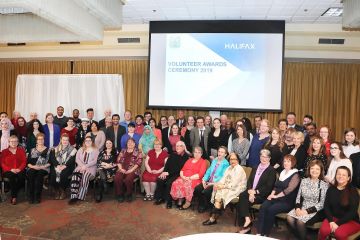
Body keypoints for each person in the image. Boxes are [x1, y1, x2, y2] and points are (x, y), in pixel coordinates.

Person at [257, 154, 301, 236]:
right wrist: (272, 194)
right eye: (285, 161)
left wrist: (276, 196)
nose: (286, 163)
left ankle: (265, 234)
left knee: (271, 210)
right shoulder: (282, 172)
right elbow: (276, 186)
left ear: (293, 163)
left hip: (287, 201)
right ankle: (259, 232)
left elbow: (288, 190)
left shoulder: (296, 175)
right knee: (263, 206)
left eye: (288, 161)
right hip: (275, 198)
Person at [236, 149, 277, 234]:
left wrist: (255, 192)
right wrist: (251, 191)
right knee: (243, 195)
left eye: (266, 157)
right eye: (262, 156)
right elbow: (249, 181)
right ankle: (247, 219)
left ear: (269, 158)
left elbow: (268, 187)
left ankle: (246, 227)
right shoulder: (255, 167)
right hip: (252, 192)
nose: (264, 158)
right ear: (259, 157)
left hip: (262, 195)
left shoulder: (271, 170)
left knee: (243, 201)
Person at [287, 160, 328, 240]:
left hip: (315, 210)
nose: (314, 171)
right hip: (303, 206)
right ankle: (303, 237)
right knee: (289, 218)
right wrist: (298, 208)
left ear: (321, 171)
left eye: (317, 169)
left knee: (300, 222)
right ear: (309, 169)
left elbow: (322, 204)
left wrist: (306, 211)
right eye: (312, 168)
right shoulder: (304, 181)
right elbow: (298, 197)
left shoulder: (324, 184)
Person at [202, 153, 247, 225]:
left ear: (238, 160)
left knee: (220, 193)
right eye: (231, 159)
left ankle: (213, 218)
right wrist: (218, 184)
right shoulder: (229, 168)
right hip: (228, 186)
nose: (233, 161)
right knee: (217, 191)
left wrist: (222, 186)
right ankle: (213, 218)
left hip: (237, 188)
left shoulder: (239, 169)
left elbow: (234, 184)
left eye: (235, 159)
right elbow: (223, 179)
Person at [318, 166, 360, 240]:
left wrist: (337, 224)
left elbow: (352, 212)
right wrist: (331, 221)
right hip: (333, 218)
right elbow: (326, 206)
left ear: (348, 178)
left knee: (339, 233)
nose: (341, 176)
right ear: (336, 175)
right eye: (339, 174)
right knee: (324, 231)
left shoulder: (353, 191)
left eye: (344, 175)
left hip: (351, 220)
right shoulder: (331, 189)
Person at [154, 141, 189, 208]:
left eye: (180, 146)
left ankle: (169, 202)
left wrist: (168, 173)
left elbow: (180, 168)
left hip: (178, 174)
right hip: (168, 173)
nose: (178, 147)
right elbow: (167, 165)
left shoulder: (186, 156)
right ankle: (161, 198)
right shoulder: (173, 154)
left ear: (184, 147)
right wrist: (164, 172)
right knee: (160, 179)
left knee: (169, 183)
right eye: (177, 146)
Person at [194, 146, 230, 213]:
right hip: (209, 181)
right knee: (197, 189)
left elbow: (222, 177)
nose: (219, 153)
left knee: (206, 192)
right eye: (219, 151)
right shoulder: (215, 160)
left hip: (216, 183)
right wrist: (204, 180)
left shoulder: (226, 164)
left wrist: (211, 183)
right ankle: (202, 204)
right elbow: (209, 171)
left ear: (225, 154)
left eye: (222, 152)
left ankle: (208, 205)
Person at [69, 136, 99, 204]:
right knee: (75, 177)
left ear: (92, 142)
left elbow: (95, 161)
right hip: (80, 167)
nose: (87, 142)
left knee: (85, 177)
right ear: (84, 142)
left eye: (89, 141)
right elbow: (77, 159)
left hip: (90, 168)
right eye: (86, 141)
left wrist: (86, 166)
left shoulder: (96, 150)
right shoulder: (81, 149)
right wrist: (82, 166)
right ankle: (73, 196)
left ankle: (80, 196)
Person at [114, 138, 142, 202]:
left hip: (133, 169)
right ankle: (120, 194)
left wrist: (131, 170)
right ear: (126, 144)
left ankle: (129, 194)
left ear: (134, 144)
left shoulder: (138, 151)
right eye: (128, 142)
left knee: (128, 179)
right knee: (117, 178)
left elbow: (139, 162)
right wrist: (120, 169)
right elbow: (118, 161)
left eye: (132, 142)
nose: (130, 144)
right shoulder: (123, 150)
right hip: (122, 168)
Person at [49, 133, 77, 200]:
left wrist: (65, 166)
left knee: (63, 174)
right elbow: (52, 158)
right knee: (53, 174)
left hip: (68, 166)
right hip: (57, 166)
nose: (65, 141)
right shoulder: (55, 149)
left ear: (68, 141)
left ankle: (63, 191)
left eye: (66, 140)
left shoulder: (73, 150)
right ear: (61, 140)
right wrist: (57, 165)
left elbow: (72, 160)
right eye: (63, 140)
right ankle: (56, 190)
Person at [0, 135, 26, 204]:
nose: (14, 143)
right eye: (12, 141)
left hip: (19, 169)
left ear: (18, 143)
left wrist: (19, 169)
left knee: (22, 177)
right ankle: (14, 197)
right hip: (8, 170)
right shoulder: (4, 151)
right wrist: (10, 169)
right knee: (12, 177)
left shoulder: (21, 150)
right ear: (9, 142)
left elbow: (24, 161)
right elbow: (2, 163)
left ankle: (14, 190)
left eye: (15, 141)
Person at [26, 133, 50, 204]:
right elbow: (28, 162)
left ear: (44, 140)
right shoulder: (32, 150)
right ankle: (31, 196)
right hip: (33, 167)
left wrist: (42, 167)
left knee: (40, 175)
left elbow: (50, 162)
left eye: (42, 139)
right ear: (36, 140)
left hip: (44, 168)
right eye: (39, 139)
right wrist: (33, 167)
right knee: (31, 174)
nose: (40, 140)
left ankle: (37, 196)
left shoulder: (48, 150)